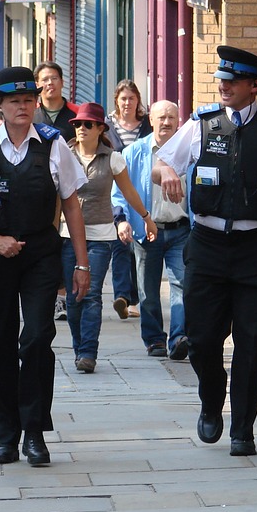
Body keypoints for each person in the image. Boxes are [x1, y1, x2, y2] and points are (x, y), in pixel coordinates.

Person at [153, 46, 257, 457]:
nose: (224, 87)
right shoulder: (201, 125)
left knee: (252, 343)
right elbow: (160, 165)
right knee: (201, 340)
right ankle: (212, 399)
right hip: (207, 246)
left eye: (233, 82)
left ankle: (243, 429)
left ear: (255, 86)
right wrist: (171, 172)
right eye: (221, 81)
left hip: (255, 249)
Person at [0, 66, 91, 467]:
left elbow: (73, 204)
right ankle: (5, 435)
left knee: (38, 338)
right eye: (15, 102)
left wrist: (81, 263)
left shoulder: (52, 144)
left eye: (29, 100)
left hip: (41, 253)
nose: (24, 107)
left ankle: (35, 432)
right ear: (0, 105)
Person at [61, 102, 156, 373]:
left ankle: (88, 353)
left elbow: (129, 192)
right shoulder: (64, 154)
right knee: (73, 297)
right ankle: (79, 347)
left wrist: (146, 217)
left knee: (90, 294)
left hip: (101, 235)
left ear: (100, 128)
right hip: (67, 234)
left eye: (87, 124)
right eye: (77, 124)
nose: (81, 128)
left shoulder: (113, 158)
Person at [112, 100, 191, 360]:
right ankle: (154, 339)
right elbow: (119, 193)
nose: (166, 122)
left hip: (181, 230)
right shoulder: (133, 152)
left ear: (178, 121)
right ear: (151, 121)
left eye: (171, 117)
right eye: (161, 118)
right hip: (147, 231)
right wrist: (122, 220)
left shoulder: (189, 151)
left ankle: (179, 337)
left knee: (182, 284)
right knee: (148, 291)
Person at [105, 80, 152, 320]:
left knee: (139, 244)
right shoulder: (107, 125)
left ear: (138, 101)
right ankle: (123, 297)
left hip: (141, 190)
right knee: (120, 243)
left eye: (131, 98)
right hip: (114, 190)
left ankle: (134, 298)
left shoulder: (147, 125)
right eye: (123, 98)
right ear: (116, 101)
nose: (127, 103)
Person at [33, 62, 78, 141]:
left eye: (54, 78)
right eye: (45, 80)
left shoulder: (78, 113)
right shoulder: (31, 113)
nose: (50, 83)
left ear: (62, 82)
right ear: (37, 85)